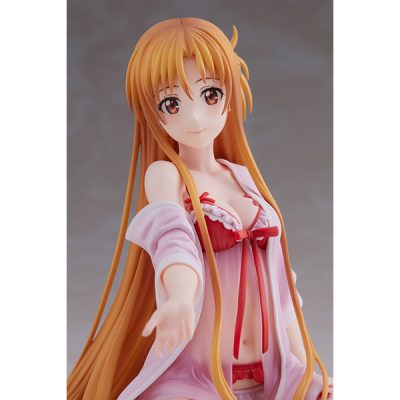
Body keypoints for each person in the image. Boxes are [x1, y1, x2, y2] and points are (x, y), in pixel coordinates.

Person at [67, 17, 333, 400]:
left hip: (274, 375)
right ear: (152, 112)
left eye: (210, 95)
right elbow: (173, 241)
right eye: (172, 103)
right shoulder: (167, 176)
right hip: (199, 380)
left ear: (230, 96)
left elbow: (282, 286)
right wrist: (178, 297)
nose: (194, 117)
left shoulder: (244, 179)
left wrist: (306, 366)